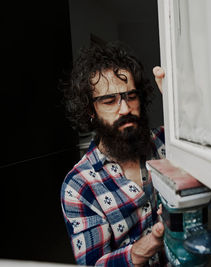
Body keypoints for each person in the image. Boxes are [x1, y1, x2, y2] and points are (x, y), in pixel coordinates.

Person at [60, 41, 167, 266]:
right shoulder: (80, 186)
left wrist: (174, 98)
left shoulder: (165, 143)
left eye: (131, 96)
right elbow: (94, 263)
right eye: (109, 100)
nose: (125, 109)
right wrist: (152, 242)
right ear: (90, 110)